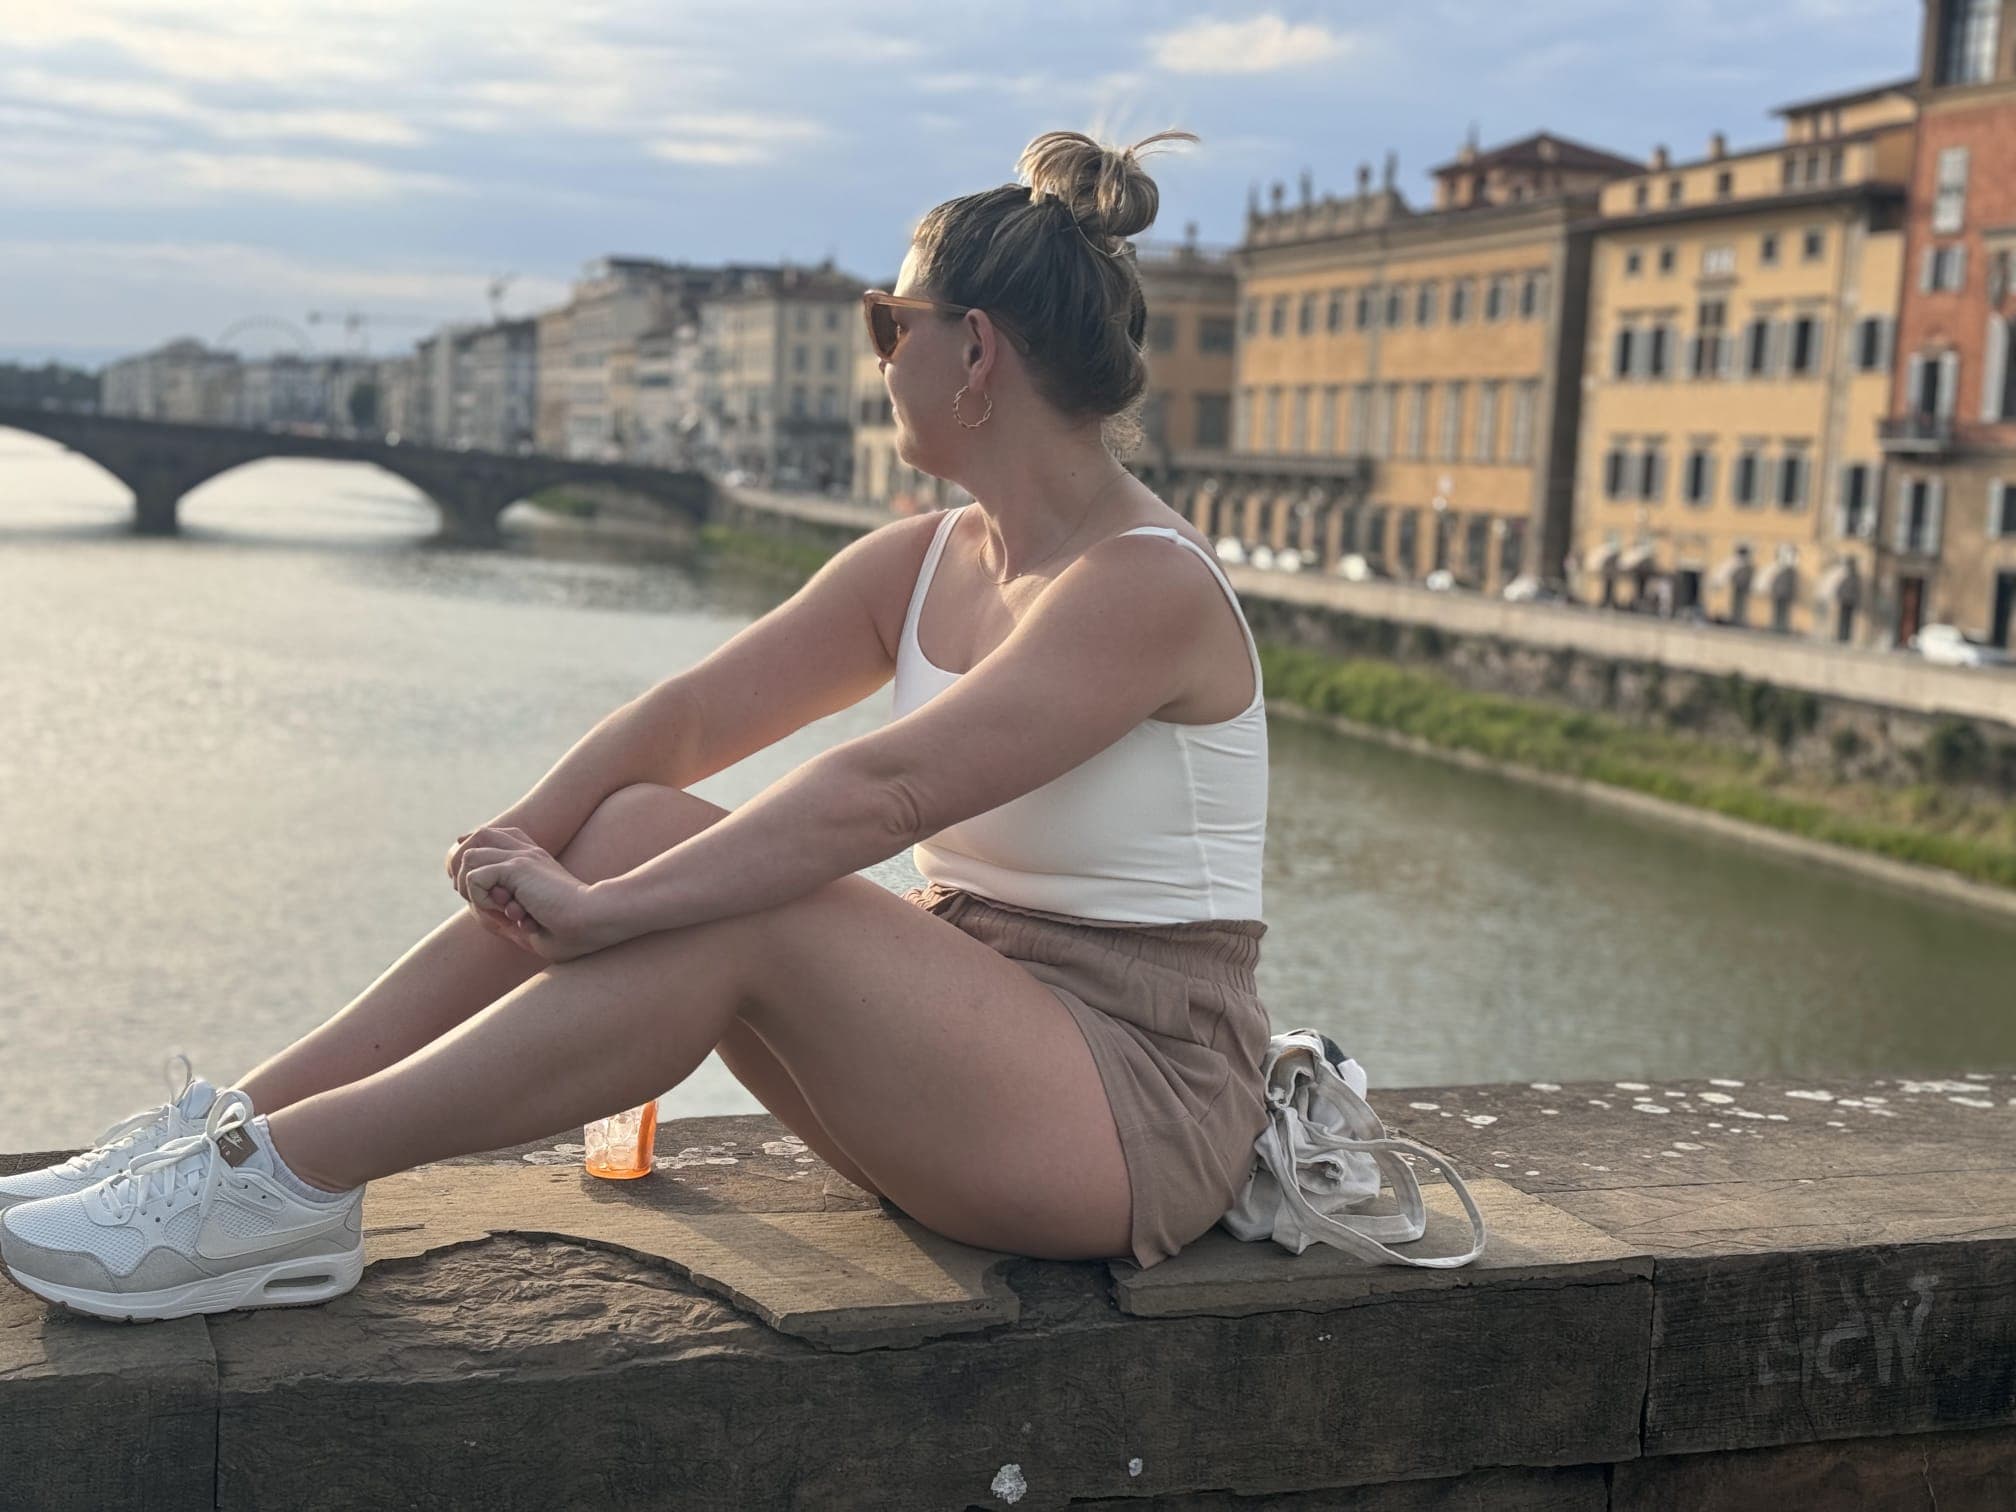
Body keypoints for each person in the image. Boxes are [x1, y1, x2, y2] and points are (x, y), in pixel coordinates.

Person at [0, 127, 1273, 1323]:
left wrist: (606, 914)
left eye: (890, 323)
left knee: (731, 896)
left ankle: (287, 1181)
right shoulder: (931, 558)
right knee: (633, 824)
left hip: (1136, 1110)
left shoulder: (1142, 585)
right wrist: (527, 839)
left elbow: (878, 795)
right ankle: (228, 1134)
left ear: (976, 350)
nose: (879, 355)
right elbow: (689, 715)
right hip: (966, 1059)